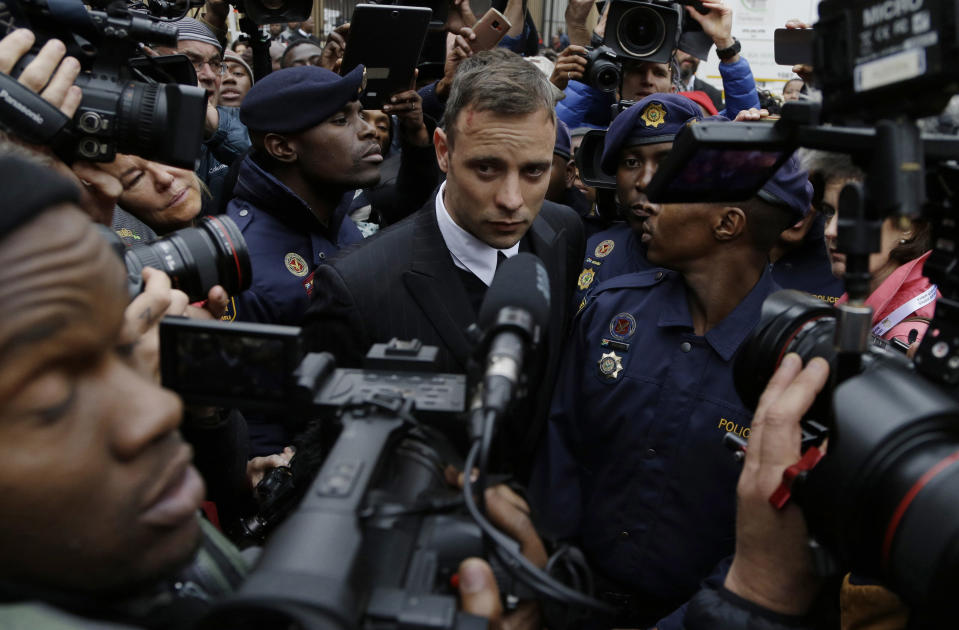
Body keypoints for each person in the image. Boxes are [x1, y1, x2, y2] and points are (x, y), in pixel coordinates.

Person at [531, 99, 814, 627]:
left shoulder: (794, 363)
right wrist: (552, 582)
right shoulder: (610, 310)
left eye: (675, 188)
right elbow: (559, 451)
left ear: (727, 223)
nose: (649, 197)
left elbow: (773, 541)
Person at [305, 51, 585, 481]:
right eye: (487, 168)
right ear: (442, 151)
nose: (512, 199)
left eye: (534, 171)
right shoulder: (355, 289)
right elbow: (342, 462)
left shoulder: (564, 232)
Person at [224, 64, 372, 327]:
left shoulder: (333, 213)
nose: (368, 129)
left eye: (360, 114)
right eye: (341, 120)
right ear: (282, 147)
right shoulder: (244, 268)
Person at [571, 94, 702, 308]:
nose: (645, 181)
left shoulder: (718, 258)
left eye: (666, 162)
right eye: (631, 162)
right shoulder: (592, 250)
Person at [553, 0, 758, 129]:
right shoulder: (593, 131)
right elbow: (558, 135)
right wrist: (596, 48)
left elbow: (746, 124)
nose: (647, 80)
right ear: (617, 86)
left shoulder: (688, 132)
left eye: (659, 73)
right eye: (636, 71)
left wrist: (726, 46)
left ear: (673, 88)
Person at [808, 150, 936, 346]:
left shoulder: (909, 337)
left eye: (853, 213)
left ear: (908, 227)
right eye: (828, 212)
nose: (831, 231)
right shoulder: (861, 300)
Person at [155, 17, 251, 213]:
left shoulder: (239, 122)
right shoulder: (126, 136)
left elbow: (279, 175)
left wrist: (217, 129)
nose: (209, 75)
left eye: (216, 64)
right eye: (191, 62)